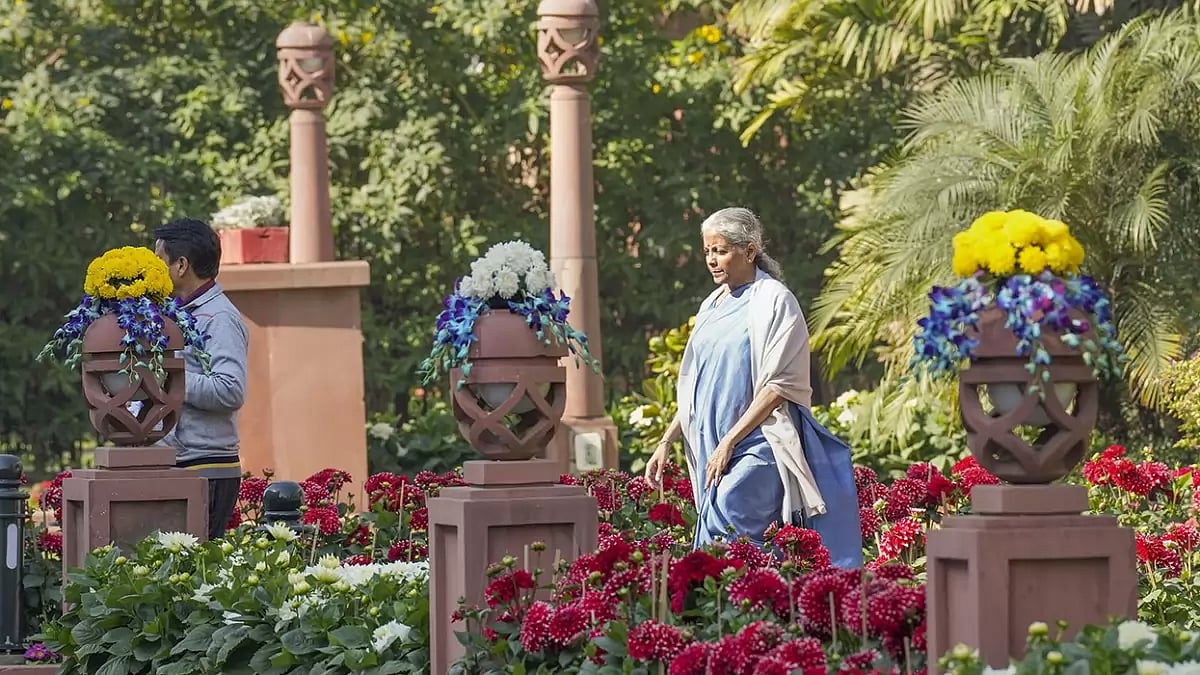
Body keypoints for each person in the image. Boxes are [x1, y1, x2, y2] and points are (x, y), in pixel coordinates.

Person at [644, 207, 862, 567]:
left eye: (721, 251)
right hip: (712, 444)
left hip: (759, 441)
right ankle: (734, 602)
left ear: (749, 250)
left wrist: (731, 441)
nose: (712, 260)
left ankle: (751, 598)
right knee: (720, 543)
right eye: (708, 252)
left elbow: (779, 385)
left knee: (731, 516)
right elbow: (695, 385)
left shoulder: (775, 300)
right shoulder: (712, 305)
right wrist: (666, 440)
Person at [154, 218, 249, 541]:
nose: (153, 272)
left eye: (159, 262)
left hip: (206, 466)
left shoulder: (219, 317)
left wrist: (166, 377)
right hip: (182, 463)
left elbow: (230, 390)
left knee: (196, 569)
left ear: (181, 265)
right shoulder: (178, 312)